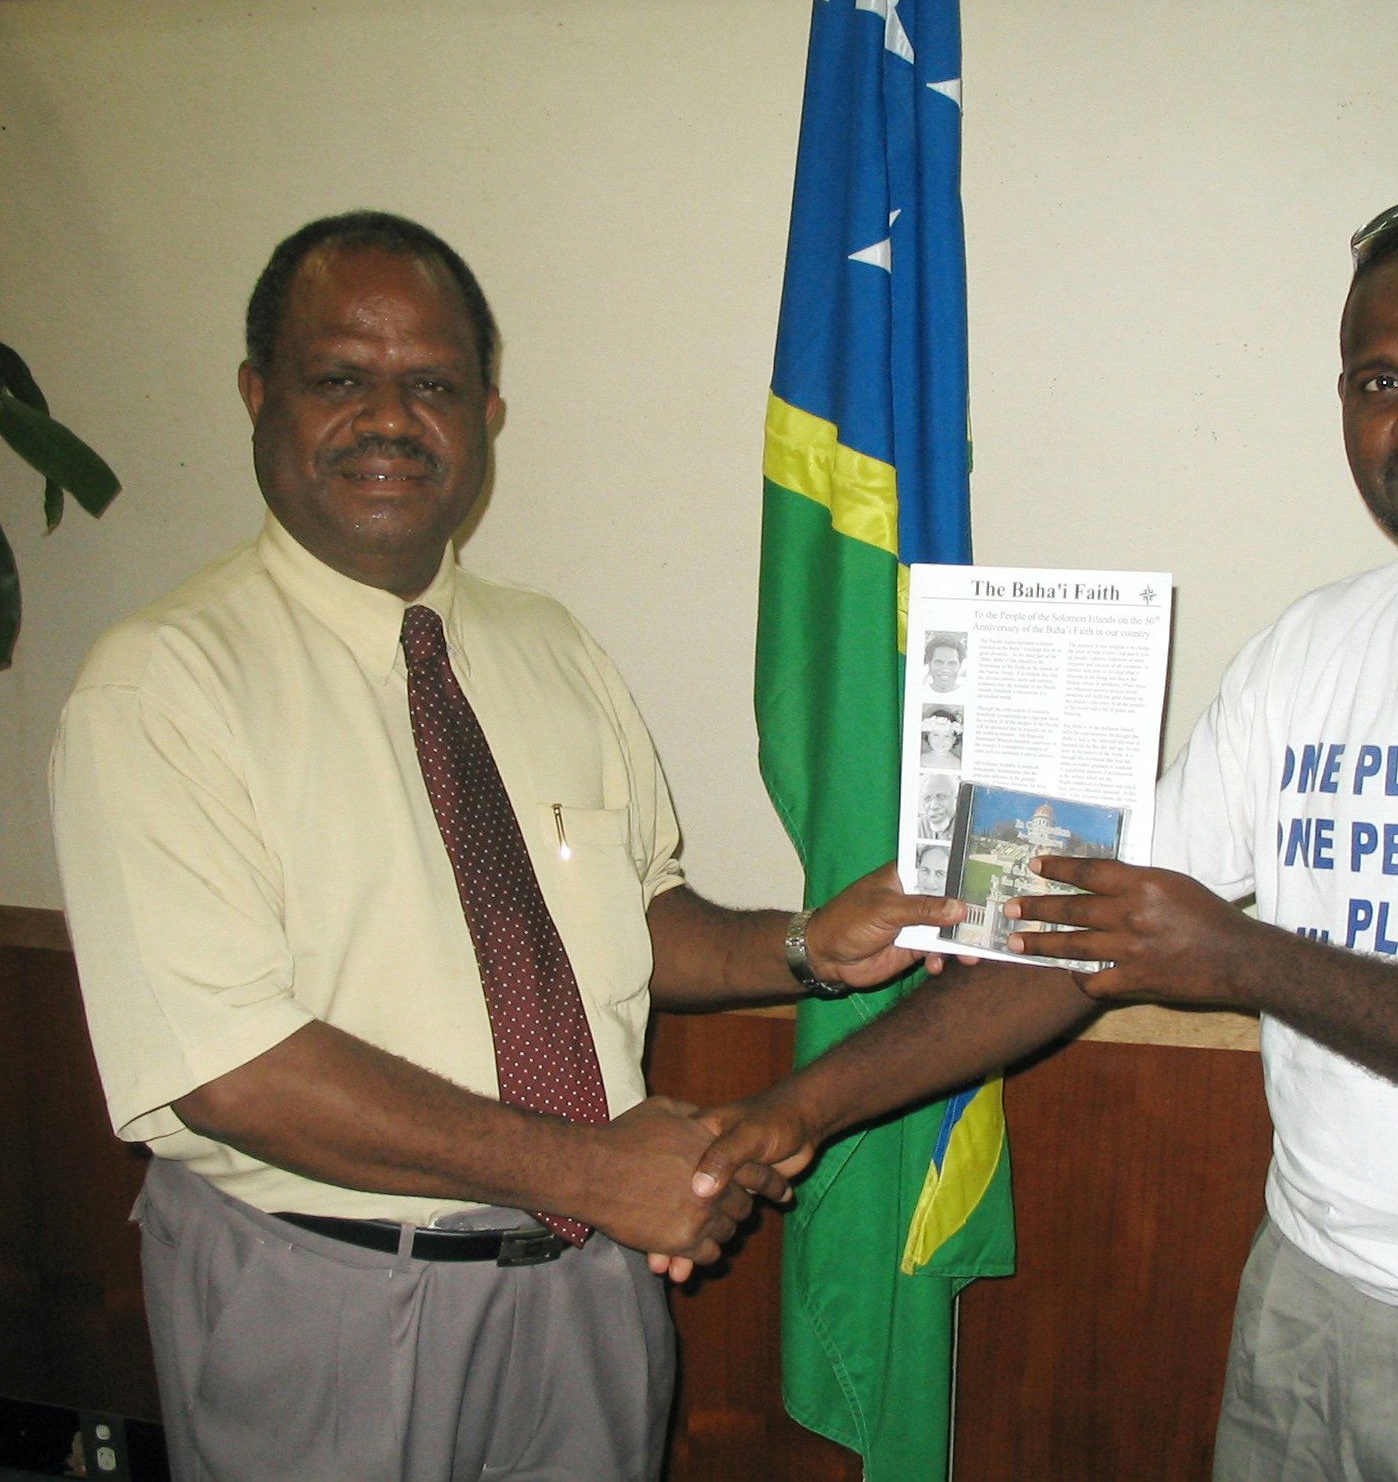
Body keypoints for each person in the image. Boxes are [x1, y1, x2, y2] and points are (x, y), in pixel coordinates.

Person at [690, 195, 1398, 1481]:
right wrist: (797, 1107)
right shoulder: (1313, 645)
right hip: (1303, 1292)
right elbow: (1077, 937)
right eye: (1376, 381)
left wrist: (1241, 960)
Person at [49, 211, 960, 1482]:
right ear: (259, 396)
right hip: (322, 1297)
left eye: (431, 385)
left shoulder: (550, 646)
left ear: (485, 416)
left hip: (589, 1286)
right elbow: (230, 1071)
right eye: (339, 378)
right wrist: (591, 1166)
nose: (387, 417)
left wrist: (808, 946)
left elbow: (630, 918)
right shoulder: (160, 685)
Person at [918, 705, 964, 770]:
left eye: (947, 736)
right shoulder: (922, 759)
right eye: (936, 735)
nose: (941, 740)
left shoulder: (956, 763)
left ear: (954, 739)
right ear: (928, 736)